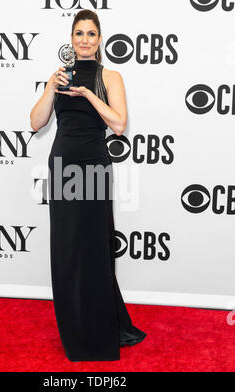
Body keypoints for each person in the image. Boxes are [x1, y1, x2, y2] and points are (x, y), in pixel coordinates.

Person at [30, 9, 146, 362]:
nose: (84, 39)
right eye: (79, 33)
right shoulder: (58, 76)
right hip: (63, 164)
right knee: (67, 247)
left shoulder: (111, 76)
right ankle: (74, 330)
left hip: (94, 165)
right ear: (71, 38)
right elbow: (36, 123)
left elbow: (120, 124)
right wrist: (51, 88)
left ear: (99, 39)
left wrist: (88, 95)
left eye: (91, 34)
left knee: (95, 246)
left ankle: (99, 330)